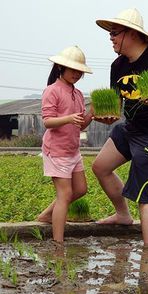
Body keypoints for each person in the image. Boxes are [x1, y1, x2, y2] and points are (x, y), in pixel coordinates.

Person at [92, 8, 148, 245]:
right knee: (101, 167)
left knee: (146, 196)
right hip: (130, 129)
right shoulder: (118, 66)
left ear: (131, 34)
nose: (110, 38)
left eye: (114, 33)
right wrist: (108, 116)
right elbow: (117, 106)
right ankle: (122, 214)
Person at [36, 46, 94, 243]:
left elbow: (81, 125)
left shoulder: (77, 94)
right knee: (65, 194)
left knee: (80, 189)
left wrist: (92, 112)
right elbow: (47, 121)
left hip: (73, 150)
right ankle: (58, 244)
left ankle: (46, 215)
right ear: (61, 67)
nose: (77, 74)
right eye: (73, 70)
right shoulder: (52, 91)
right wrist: (68, 118)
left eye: (80, 72)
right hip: (56, 150)